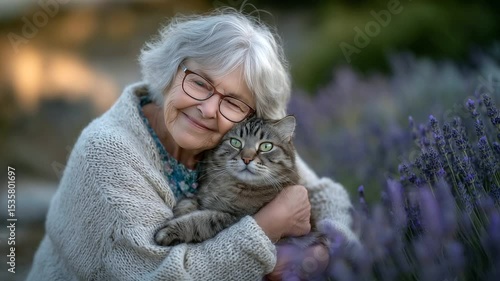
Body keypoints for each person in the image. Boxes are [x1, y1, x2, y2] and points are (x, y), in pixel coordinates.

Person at [27, 7, 357, 281]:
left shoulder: (234, 140)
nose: (209, 109)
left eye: (233, 102)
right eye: (200, 83)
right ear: (172, 71)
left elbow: (326, 195)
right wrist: (266, 229)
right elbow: (163, 277)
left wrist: (321, 251)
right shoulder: (108, 153)